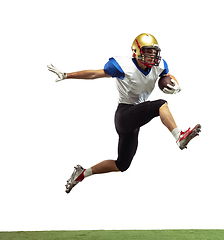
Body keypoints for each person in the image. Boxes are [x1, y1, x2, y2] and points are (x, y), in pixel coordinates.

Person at [47, 33, 201, 193]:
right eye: (148, 52)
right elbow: (94, 74)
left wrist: (175, 83)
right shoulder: (123, 65)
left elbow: (166, 76)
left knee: (122, 164)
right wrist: (67, 75)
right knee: (160, 105)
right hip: (125, 115)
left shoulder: (159, 65)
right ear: (137, 51)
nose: (152, 56)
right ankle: (179, 136)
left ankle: (82, 174)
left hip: (136, 119)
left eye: (154, 53)